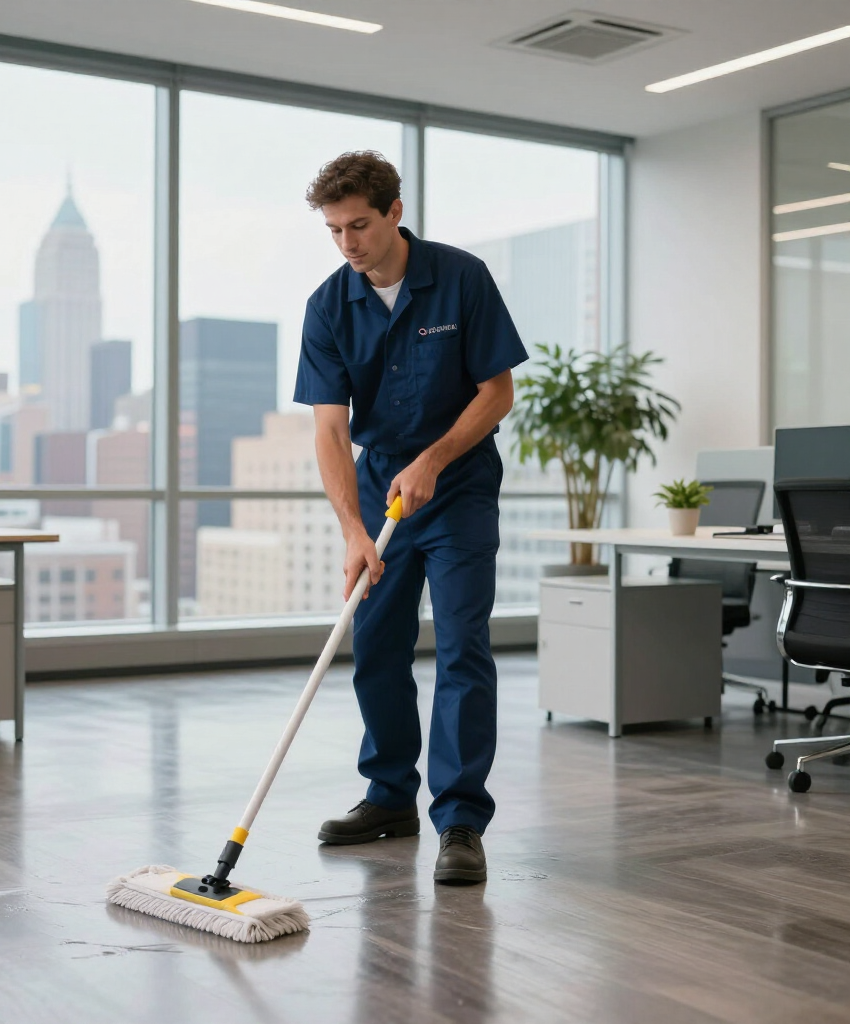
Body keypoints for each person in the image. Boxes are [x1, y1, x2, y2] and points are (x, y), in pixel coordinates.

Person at [293, 151, 528, 884]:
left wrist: (434, 459)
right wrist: (354, 533)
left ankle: (459, 818)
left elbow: (497, 393)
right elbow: (331, 431)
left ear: (395, 212)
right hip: (376, 491)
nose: (348, 243)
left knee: (461, 645)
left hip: (456, 489)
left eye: (359, 224)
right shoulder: (329, 305)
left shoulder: (461, 278)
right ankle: (389, 796)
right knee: (378, 644)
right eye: (333, 230)